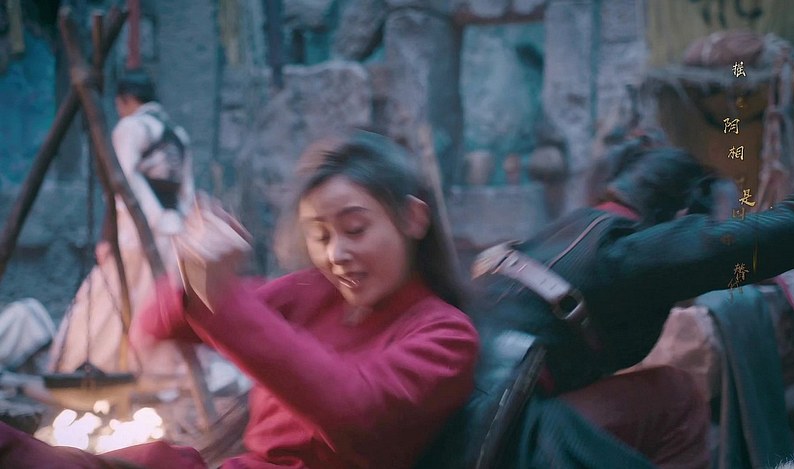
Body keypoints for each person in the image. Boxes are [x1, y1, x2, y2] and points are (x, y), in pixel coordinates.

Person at [0, 130, 479, 469]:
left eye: (355, 229)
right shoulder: (315, 293)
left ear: (413, 219)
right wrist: (196, 271)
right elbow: (164, 320)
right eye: (320, 235)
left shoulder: (445, 335)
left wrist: (220, 295)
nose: (336, 254)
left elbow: (355, 411)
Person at [480, 140, 794, 468]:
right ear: (682, 214)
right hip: (505, 438)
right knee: (675, 396)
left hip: (478, 420)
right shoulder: (627, 253)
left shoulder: (566, 231)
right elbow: (755, 242)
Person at [48, 69, 196, 377]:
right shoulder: (178, 135)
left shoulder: (131, 128)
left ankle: (102, 363)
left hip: (138, 230)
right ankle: (152, 370)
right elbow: (186, 191)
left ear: (126, 100)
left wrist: (149, 220)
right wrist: (177, 222)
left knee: (115, 294)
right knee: (154, 298)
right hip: (172, 231)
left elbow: (124, 182)